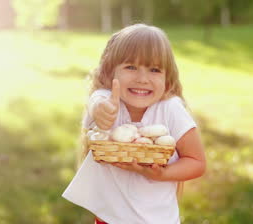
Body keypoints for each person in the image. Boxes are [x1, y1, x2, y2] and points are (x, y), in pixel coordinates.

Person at [62, 23, 206, 224]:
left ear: (168, 79)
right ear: (109, 73)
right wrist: (101, 111)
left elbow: (196, 162)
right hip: (109, 220)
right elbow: (97, 102)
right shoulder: (108, 100)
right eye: (131, 67)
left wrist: (161, 174)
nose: (142, 79)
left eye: (154, 69)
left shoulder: (170, 109)